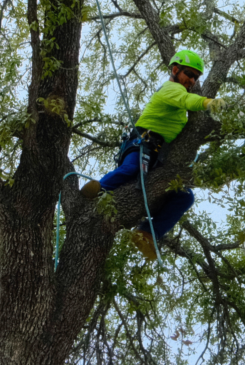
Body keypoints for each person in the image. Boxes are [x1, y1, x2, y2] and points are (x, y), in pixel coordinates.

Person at [81, 50, 226, 260]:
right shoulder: (171, 89)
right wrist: (207, 102)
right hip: (143, 143)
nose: (192, 81)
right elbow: (186, 99)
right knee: (131, 169)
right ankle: (98, 189)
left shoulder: (179, 108)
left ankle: (147, 233)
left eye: (196, 77)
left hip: (159, 156)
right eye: (189, 74)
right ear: (175, 70)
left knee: (185, 196)